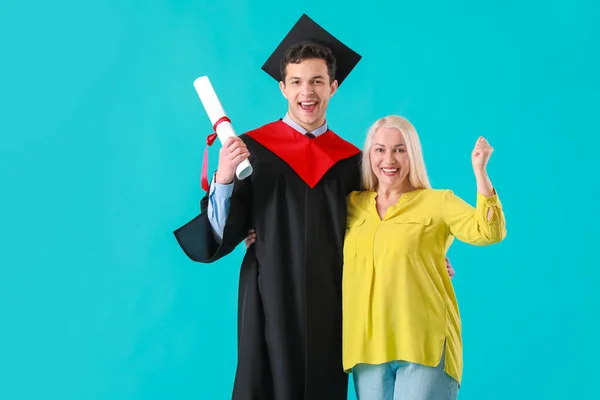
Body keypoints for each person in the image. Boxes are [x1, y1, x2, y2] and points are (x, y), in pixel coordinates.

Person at [342, 115, 507, 399]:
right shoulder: (351, 205)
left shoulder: (437, 202)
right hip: (366, 349)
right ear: (369, 155)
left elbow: (488, 231)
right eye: (380, 149)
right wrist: (259, 234)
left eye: (399, 149)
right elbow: (314, 244)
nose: (388, 159)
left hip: (425, 344)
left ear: (413, 155)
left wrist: (480, 171)